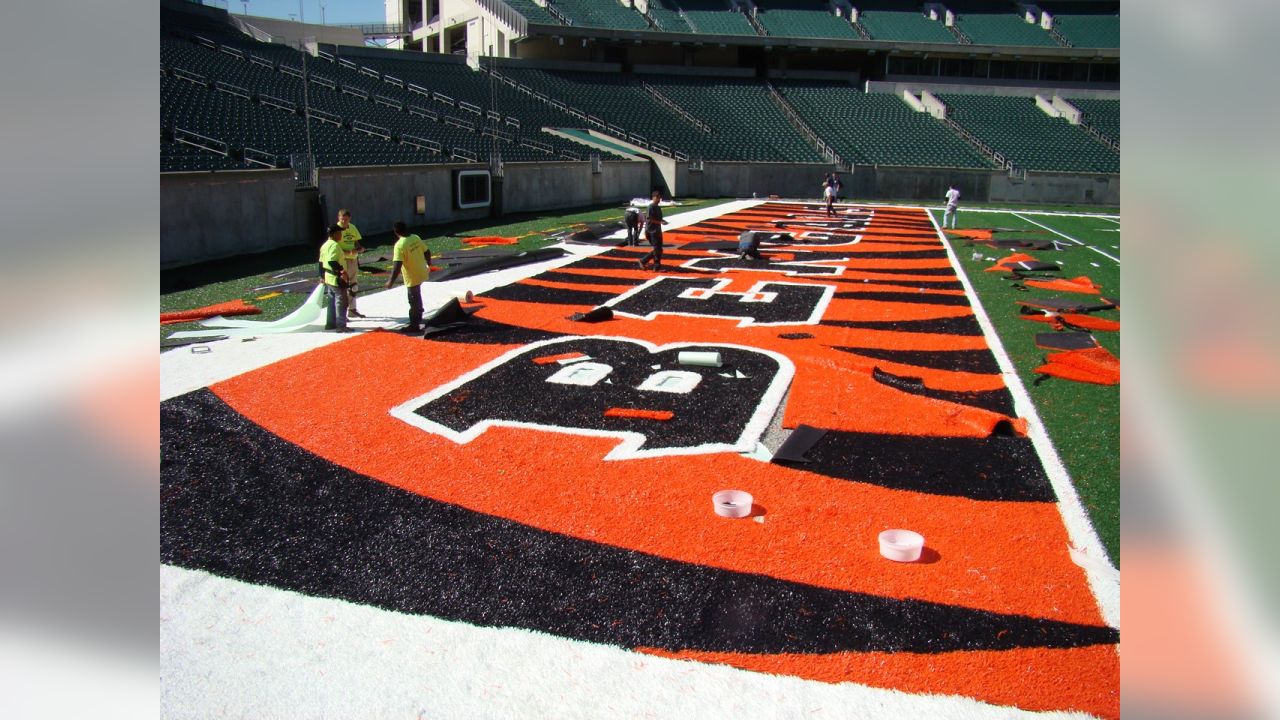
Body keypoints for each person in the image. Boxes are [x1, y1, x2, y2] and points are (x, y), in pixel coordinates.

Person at [384, 221, 432, 333]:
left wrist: (390, 281)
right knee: (417, 294)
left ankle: (414, 325)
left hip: (412, 276)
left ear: (396, 232)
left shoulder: (399, 245)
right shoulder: (415, 237)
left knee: (413, 299)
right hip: (421, 271)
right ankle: (419, 314)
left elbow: (397, 265)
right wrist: (429, 263)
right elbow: (427, 251)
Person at [317, 224, 350, 332]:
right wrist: (342, 271)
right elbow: (332, 261)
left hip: (328, 277)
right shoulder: (334, 246)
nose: (341, 235)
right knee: (341, 301)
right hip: (336, 278)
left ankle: (331, 324)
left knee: (331, 301)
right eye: (339, 233)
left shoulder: (324, 245)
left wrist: (322, 276)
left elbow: (321, 263)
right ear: (335, 234)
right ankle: (341, 326)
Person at [336, 208, 365, 319]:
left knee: (354, 286)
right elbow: (334, 247)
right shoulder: (336, 230)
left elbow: (355, 241)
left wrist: (359, 248)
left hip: (353, 259)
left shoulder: (352, 227)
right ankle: (342, 313)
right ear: (338, 218)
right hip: (342, 261)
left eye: (346, 220)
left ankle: (352, 310)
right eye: (342, 219)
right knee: (342, 287)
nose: (344, 222)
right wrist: (347, 252)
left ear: (350, 219)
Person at [637, 189, 669, 271]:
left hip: (657, 231)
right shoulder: (651, 207)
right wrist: (660, 222)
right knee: (657, 249)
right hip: (651, 231)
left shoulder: (658, 208)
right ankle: (643, 261)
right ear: (653, 197)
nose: (659, 199)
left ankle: (656, 266)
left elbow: (659, 219)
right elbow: (649, 219)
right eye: (657, 197)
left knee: (659, 249)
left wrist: (662, 221)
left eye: (659, 197)